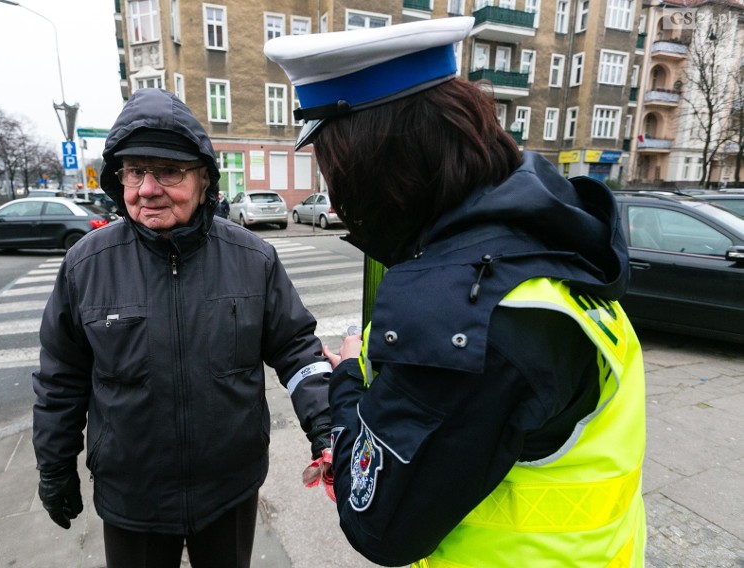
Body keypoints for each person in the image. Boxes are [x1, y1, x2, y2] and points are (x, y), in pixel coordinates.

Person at [266, 18, 646, 567]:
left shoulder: (466, 314)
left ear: (378, 164)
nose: (337, 194)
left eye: (334, 168)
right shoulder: (543, 246)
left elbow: (374, 520)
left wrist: (348, 380)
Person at [31, 87, 332, 568]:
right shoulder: (85, 266)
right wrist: (54, 466)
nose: (147, 188)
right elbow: (60, 379)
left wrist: (326, 425)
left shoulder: (254, 259)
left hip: (229, 492)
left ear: (204, 180)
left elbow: (298, 349)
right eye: (134, 172)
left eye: (168, 171)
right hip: (133, 499)